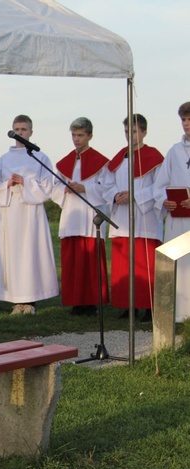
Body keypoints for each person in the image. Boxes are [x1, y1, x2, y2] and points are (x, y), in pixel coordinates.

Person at [0, 115, 58, 315]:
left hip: (30, 212)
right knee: (12, 254)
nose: (20, 133)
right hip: (10, 211)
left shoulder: (40, 157)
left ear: (31, 132)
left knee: (30, 253)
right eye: (17, 129)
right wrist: (6, 185)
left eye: (24, 129)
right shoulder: (4, 159)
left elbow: (48, 186)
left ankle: (30, 300)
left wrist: (26, 182)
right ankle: (15, 300)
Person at [103, 114, 164, 322]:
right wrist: (115, 195)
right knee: (124, 265)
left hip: (144, 219)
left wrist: (135, 196)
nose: (131, 135)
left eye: (135, 131)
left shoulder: (154, 157)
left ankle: (148, 307)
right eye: (127, 131)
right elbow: (107, 182)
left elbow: (159, 186)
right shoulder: (120, 157)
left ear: (144, 132)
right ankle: (128, 306)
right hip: (122, 219)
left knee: (146, 265)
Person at [51, 117, 111, 316]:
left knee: (90, 261)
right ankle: (76, 301)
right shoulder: (65, 162)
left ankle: (92, 302)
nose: (76, 139)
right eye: (74, 135)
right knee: (73, 261)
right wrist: (65, 189)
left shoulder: (100, 162)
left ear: (90, 136)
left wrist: (85, 188)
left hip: (89, 215)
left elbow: (107, 188)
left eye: (80, 135)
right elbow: (54, 186)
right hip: (71, 216)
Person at [153, 102, 190, 322]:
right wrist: (165, 201)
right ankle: (179, 315)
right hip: (177, 222)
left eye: (189, 120)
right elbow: (160, 185)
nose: (186, 124)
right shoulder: (174, 151)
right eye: (183, 120)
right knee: (180, 266)